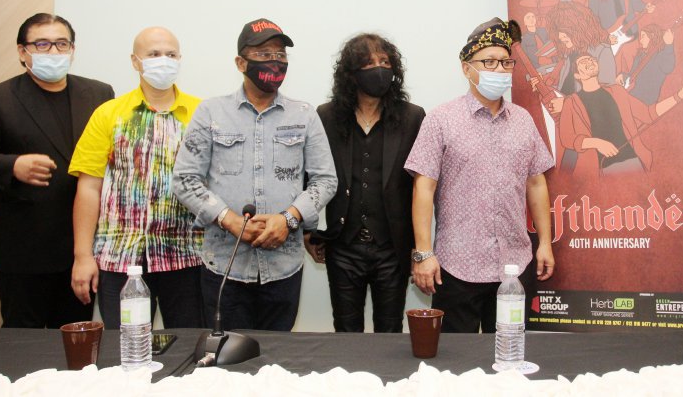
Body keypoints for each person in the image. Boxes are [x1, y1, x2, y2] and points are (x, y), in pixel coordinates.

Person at [172, 19, 337, 331]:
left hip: (283, 267)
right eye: (264, 54)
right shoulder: (210, 113)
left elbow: (326, 180)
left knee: (276, 362)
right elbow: (185, 179)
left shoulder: (304, 115)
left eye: (280, 55)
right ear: (240, 62)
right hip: (225, 265)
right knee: (227, 363)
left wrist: (287, 219)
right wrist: (229, 220)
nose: (274, 62)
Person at [405, 18, 555, 333]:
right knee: (455, 363)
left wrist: (544, 243)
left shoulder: (523, 121)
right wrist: (423, 253)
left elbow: (536, 182)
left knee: (509, 354)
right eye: (488, 62)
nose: (498, 70)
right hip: (456, 265)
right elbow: (423, 188)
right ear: (466, 68)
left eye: (505, 62)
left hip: (514, 265)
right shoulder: (440, 120)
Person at [0, 13, 114, 328]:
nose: (53, 52)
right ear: (23, 52)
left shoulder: (99, 94)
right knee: (25, 346)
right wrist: (12, 165)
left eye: (61, 44)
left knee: (77, 341)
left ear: (72, 49)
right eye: (42, 44)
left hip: (82, 249)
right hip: (24, 251)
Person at [68, 27, 203, 328]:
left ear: (180, 59)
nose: (163, 61)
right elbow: (89, 188)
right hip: (120, 258)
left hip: (186, 256)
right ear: (135, 61)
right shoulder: (109, 114)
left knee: (191, 349)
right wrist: (82, 256)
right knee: (126, 350)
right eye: (153, 54)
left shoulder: (201, 114)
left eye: (170, 54)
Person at [306, 34, 425, 332]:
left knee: (390, 333)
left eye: (384, 62)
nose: (379, 68)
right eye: (368, 63)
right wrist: (308, 231)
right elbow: (310, 176)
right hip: (343, 247)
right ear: (351, 73)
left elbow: (421, 186)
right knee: (345, 333)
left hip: (392, 248)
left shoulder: (412, 117)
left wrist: (420, 247)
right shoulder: (326, 117)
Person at [559, 53, 683, 179]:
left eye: (591, 58)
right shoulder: (571, 102)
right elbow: (567, 138)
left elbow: (648, 114)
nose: (589, 61)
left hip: (632, 162)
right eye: (583, 61)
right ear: (577, 75)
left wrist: (679, 96)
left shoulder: (617, 91)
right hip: (599, 169)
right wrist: (597, 143)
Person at [615, 23, 676, 105]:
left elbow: (668, 67)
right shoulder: (640, 55)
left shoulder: (660, 55)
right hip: (631, 94)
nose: (640, 41)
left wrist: (669, 45)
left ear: (652, 36)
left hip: (645, 101)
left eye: (643, 36)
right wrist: (623, 76)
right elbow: (632, 75)